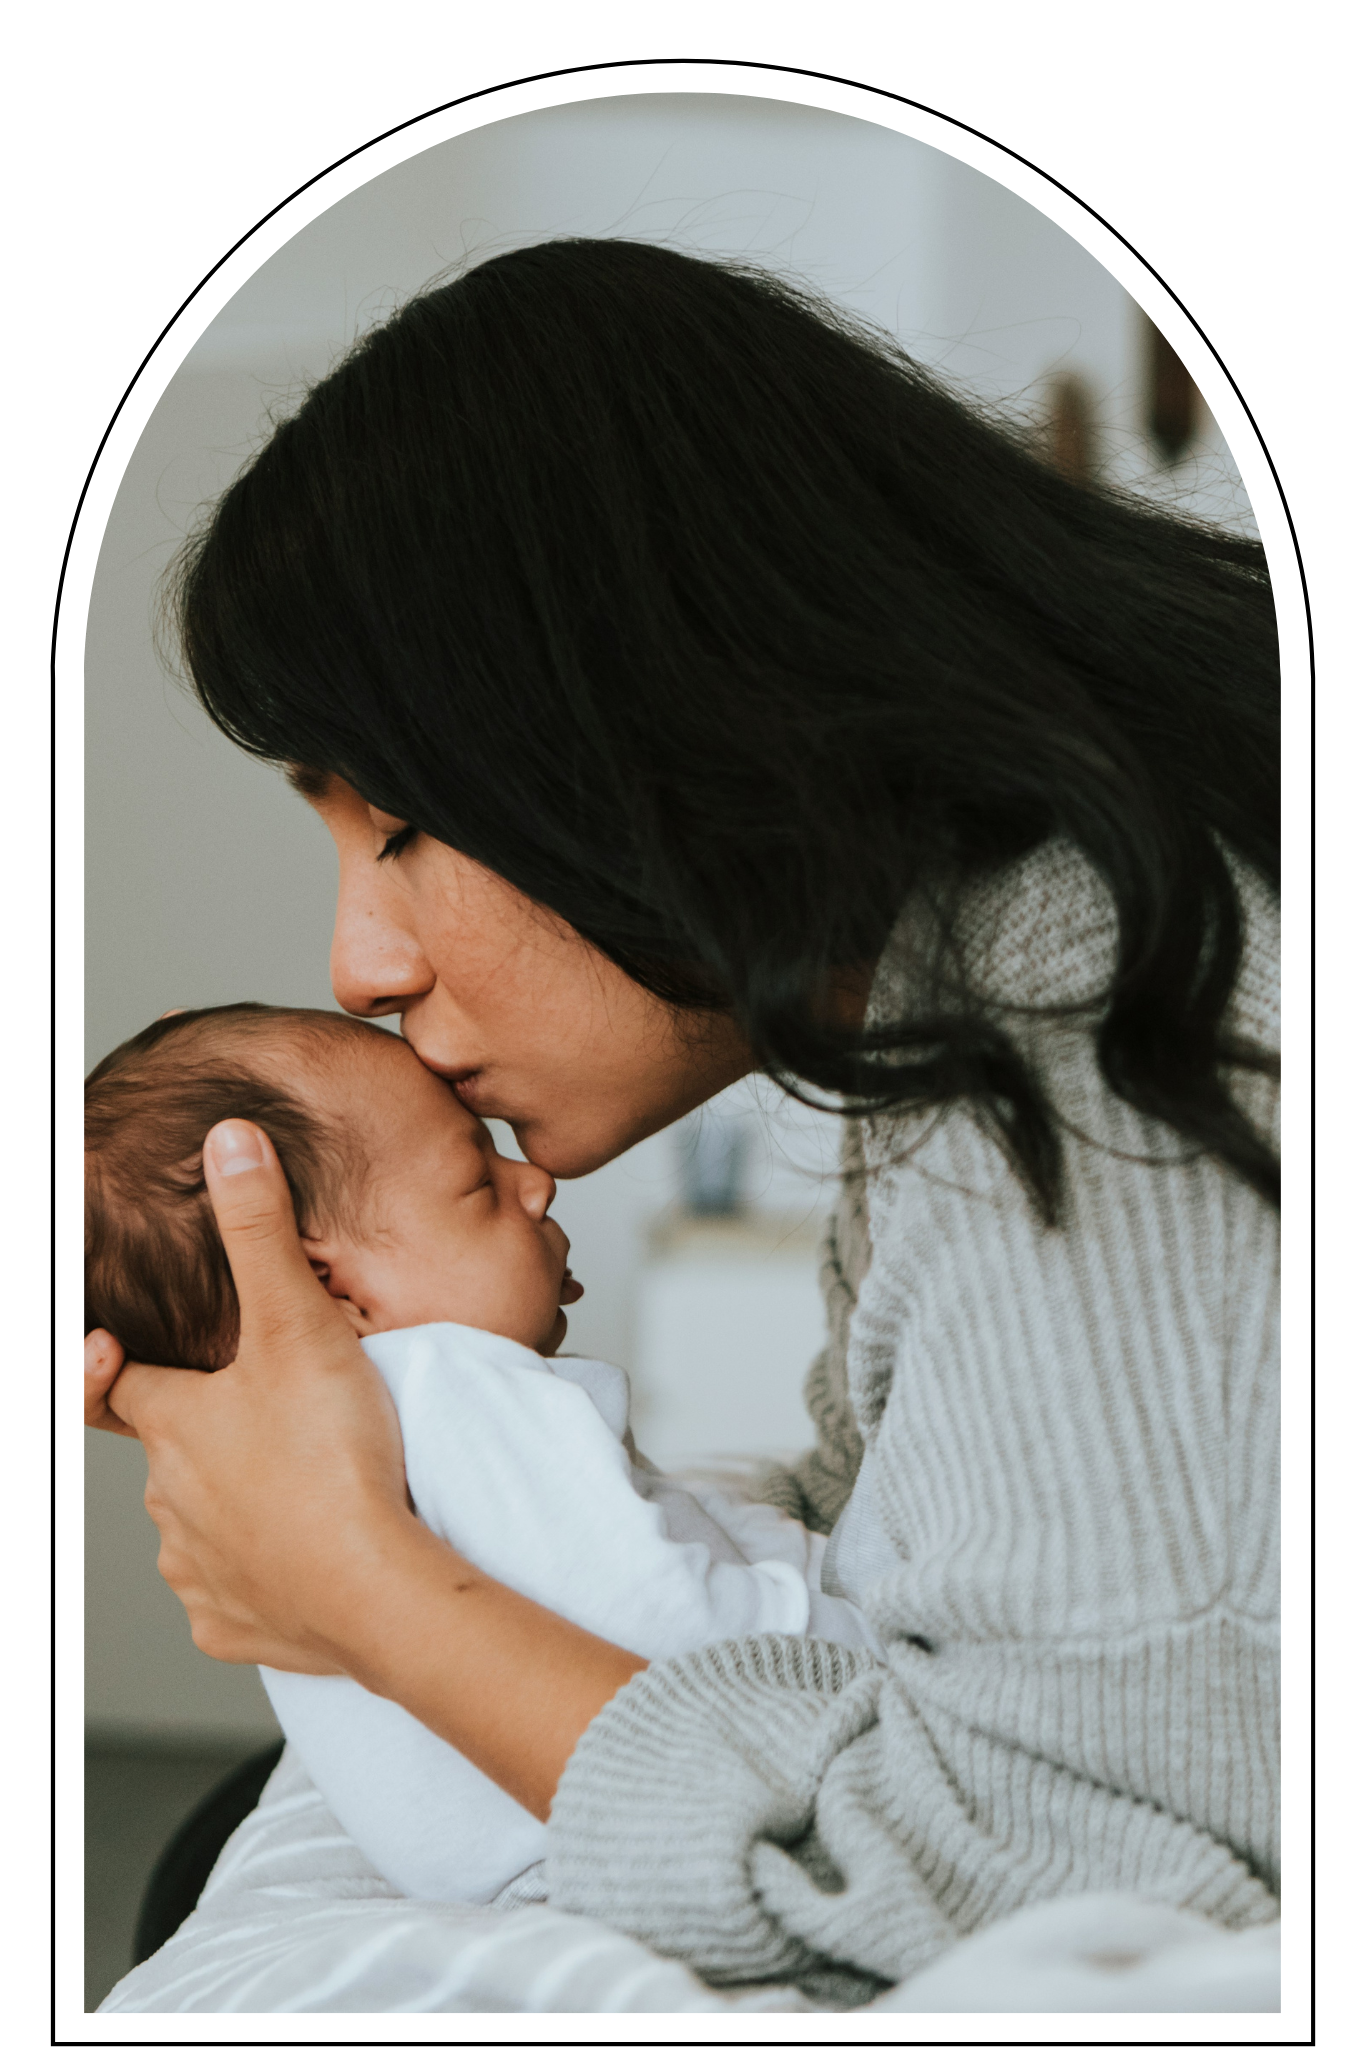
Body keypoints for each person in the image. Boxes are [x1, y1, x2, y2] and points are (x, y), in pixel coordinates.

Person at [84, 237, 1280, 2008]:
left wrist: (364, 1586)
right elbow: (895, 1510)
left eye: (398, 821)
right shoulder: (955, 976)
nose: (360, 960)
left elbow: (1072, 1856)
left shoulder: (1117, 1008)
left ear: (644, 699)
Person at [83, 1000, 882, 1907]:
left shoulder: (257, 1458)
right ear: (331, 1288)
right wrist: (855, 1632)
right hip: (636, 1821)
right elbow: (673, 1627)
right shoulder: (451, 1379)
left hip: (501, 1855)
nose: (533, 1183)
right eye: (476, 1178)